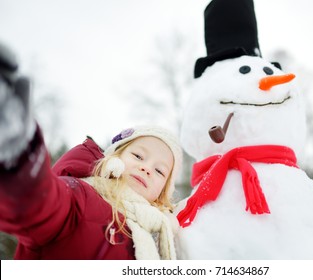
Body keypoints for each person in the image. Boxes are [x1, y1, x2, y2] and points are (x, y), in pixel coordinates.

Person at [0, 42, 182, 260]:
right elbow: (39, 206)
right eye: (138, 156)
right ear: (114, 158)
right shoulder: (82, 198)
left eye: (160, 171)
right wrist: (20, 160)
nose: (146, 168)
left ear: (163, 192)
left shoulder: (161, 233)